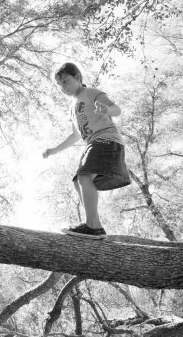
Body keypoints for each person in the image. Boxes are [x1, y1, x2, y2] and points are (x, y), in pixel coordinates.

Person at [42, 62, 130, 239]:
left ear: (78, 78)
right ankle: (95, 226)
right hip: (93, 144)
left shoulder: (90, 93)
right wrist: (53, 150)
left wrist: (107, 109)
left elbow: (117, 109)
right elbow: (75, 136)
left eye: (65, 81)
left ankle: (92, 226)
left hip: (106, 140)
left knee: (84, 176)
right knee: (78, 181)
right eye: (59, 85)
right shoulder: (72, 107)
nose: (62, 88)